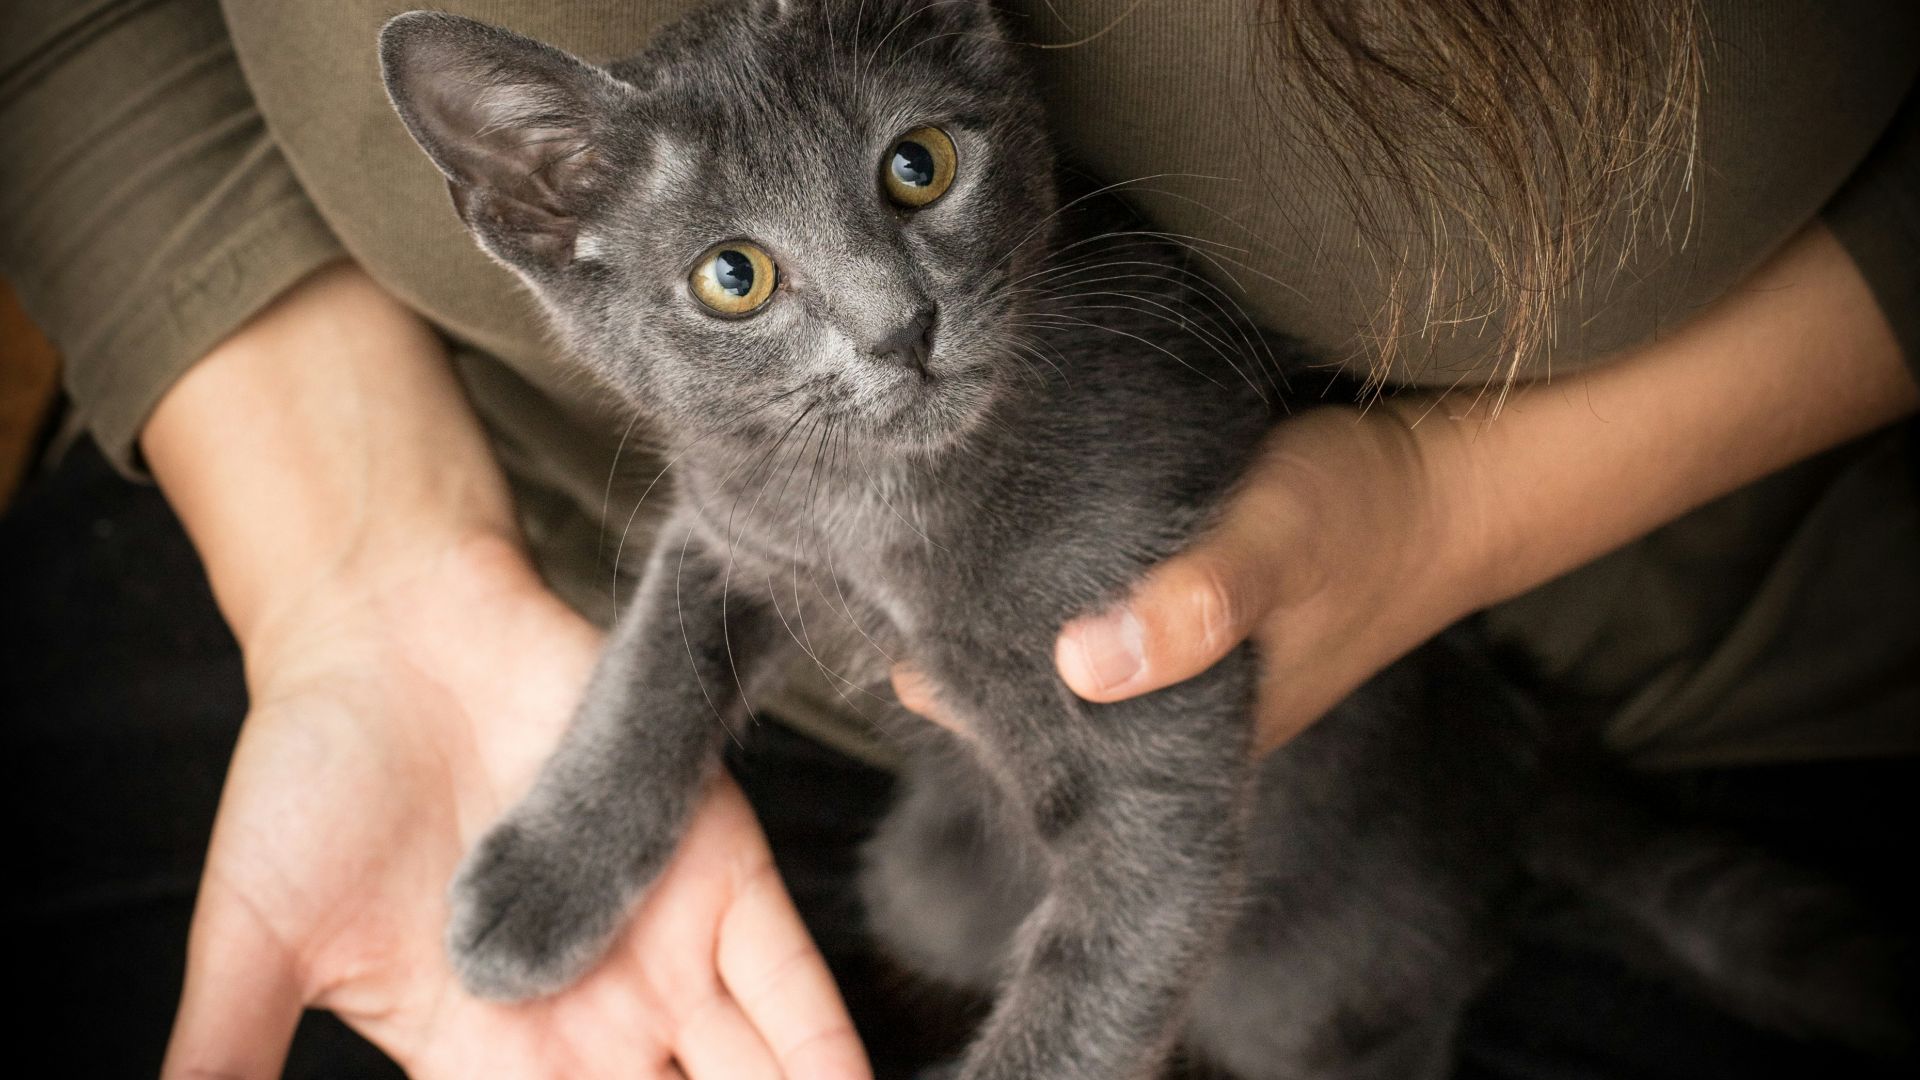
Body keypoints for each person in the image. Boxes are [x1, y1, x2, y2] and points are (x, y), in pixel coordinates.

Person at [2, 1, 1915, 1077]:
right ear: (549, 222)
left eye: (915, 173)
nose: (889, 322)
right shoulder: (730, 383)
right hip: (453, 562)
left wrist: (1446, 508)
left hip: (1468, 754)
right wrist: (361, 586)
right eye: (744, 275)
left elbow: (1151, 854)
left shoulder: (1086, 406)